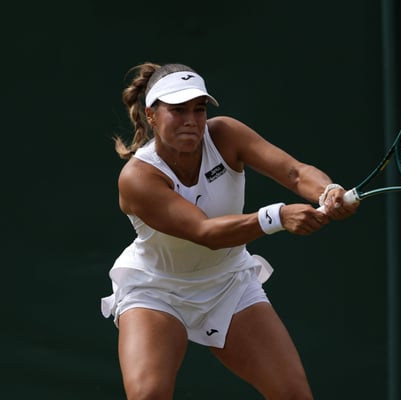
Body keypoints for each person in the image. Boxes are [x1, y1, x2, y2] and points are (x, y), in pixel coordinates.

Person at [100, 62, 359, 400]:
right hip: (155, 290)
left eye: (199, 109)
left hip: (228, 283)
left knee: (294, 395)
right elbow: (205, 232)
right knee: (148, 395)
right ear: (151, 115)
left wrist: (328, 191)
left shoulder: (225, 134)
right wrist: (277, 216)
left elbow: (295, 173)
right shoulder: (138, 178)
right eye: (178, 110)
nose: (191, 120)